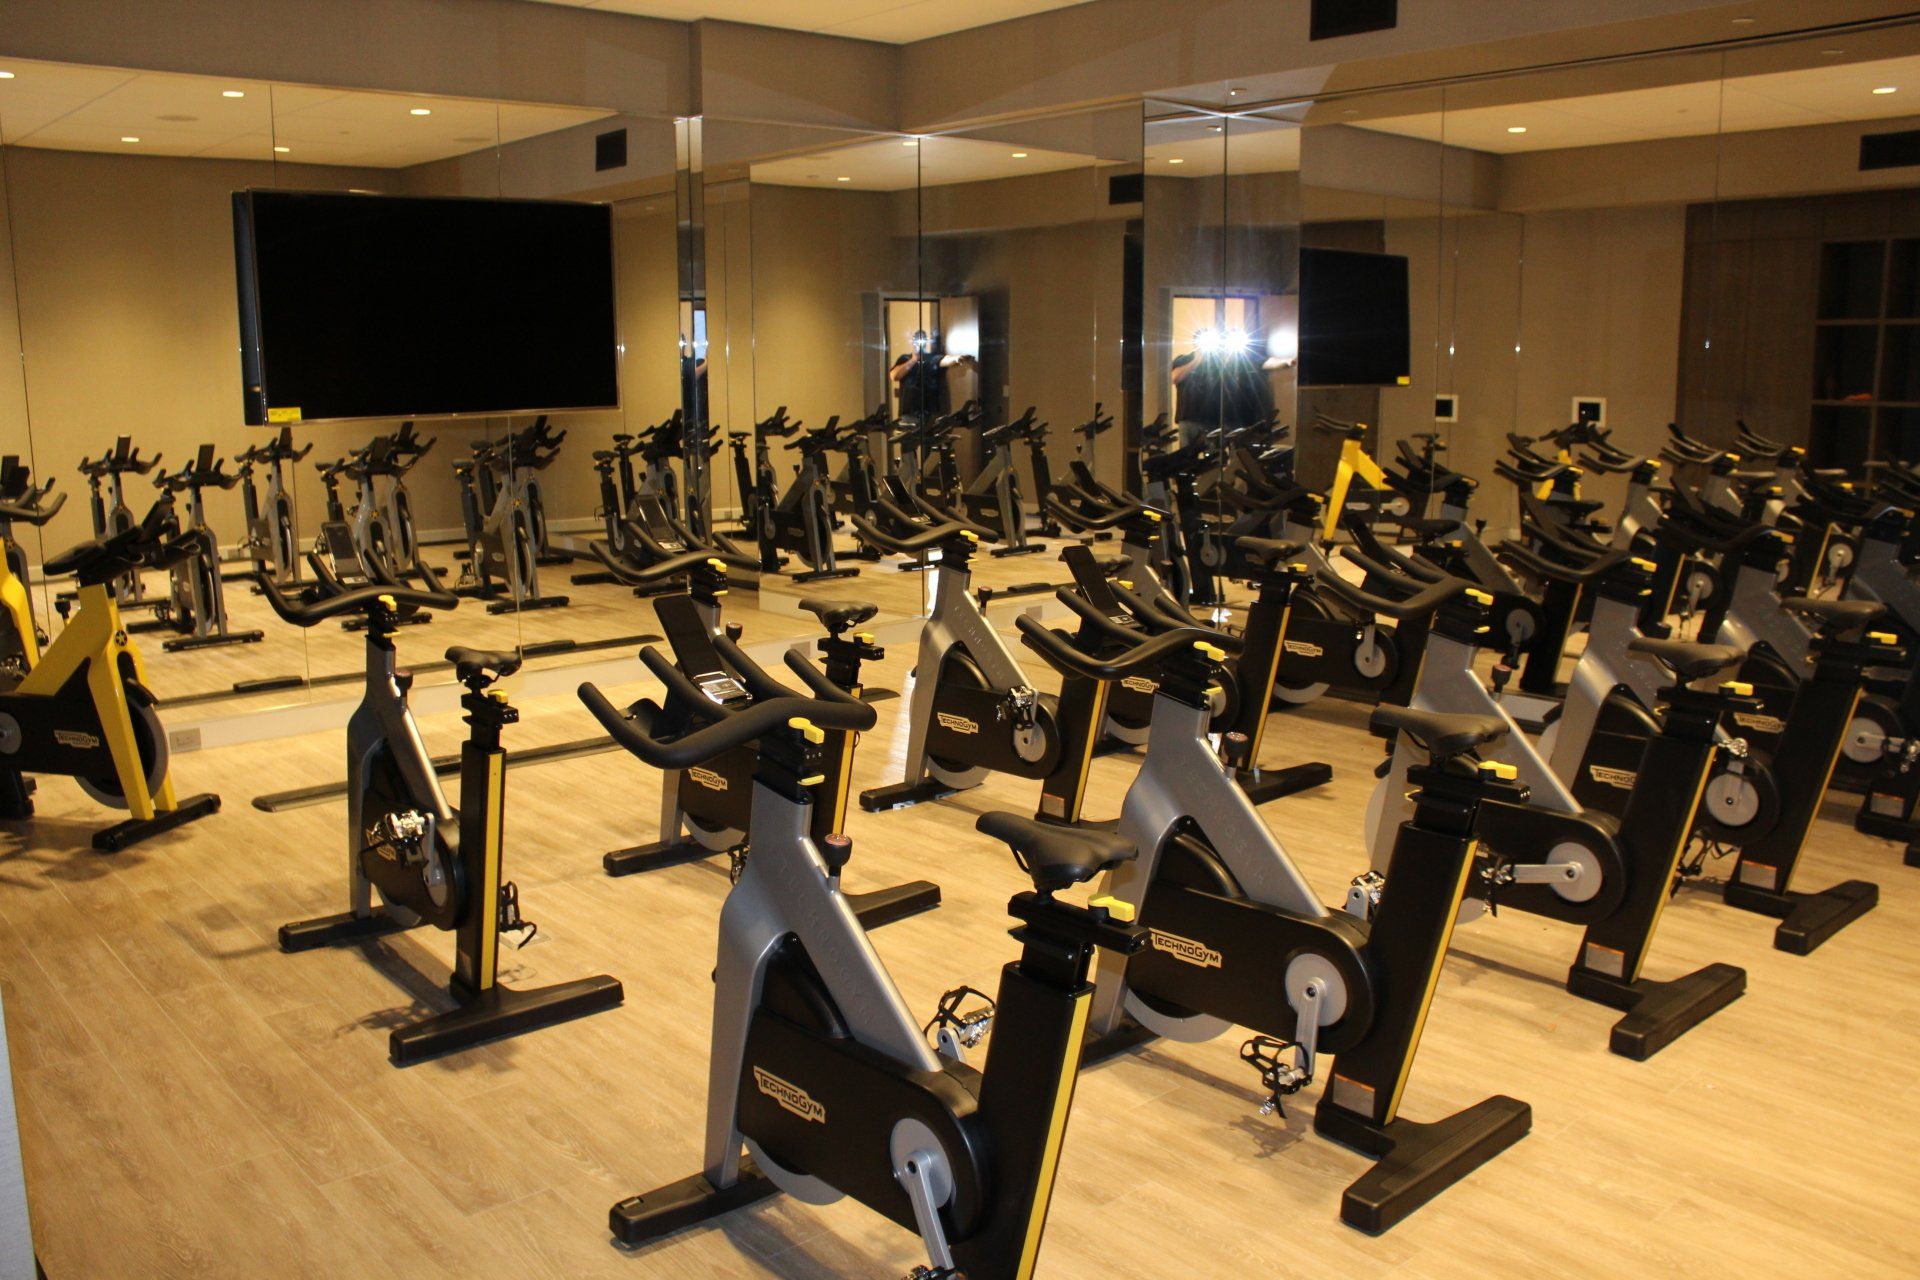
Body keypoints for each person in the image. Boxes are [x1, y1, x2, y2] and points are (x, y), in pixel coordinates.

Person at [1172, 329, 1275, 447]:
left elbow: (1236, 374)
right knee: (1186, 457)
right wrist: (1197, 360)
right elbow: (1175, 377)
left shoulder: (1216, 362)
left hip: (1213, 419)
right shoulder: (1184, 359)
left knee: (1213, 457)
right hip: (1189, 418)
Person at [890, 330, 976, 421]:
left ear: (926, 343)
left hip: (930, 413)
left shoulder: (931, 358)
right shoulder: (904, 358)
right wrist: (913, 360)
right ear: (913, 342)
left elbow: (944, 360)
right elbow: (894, 376)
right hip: (908, 413)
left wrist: (957, 359)